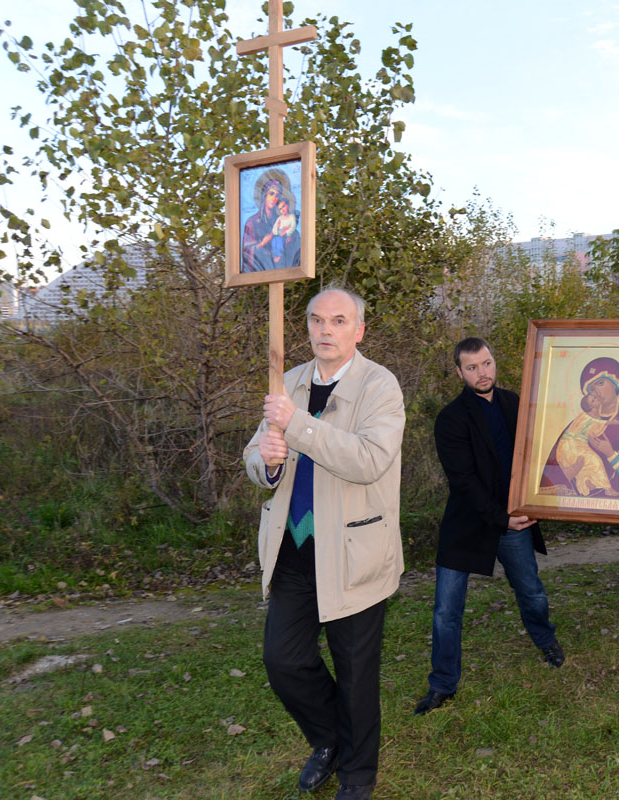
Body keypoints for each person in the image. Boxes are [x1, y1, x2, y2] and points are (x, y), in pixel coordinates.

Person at [244, 287, 404, 800]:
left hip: (353, 551)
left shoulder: (380, 386)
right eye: (317, 320)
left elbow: (367, 459)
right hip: (293, 548)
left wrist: (298, 426)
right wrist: (267, 463)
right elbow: (255, 454)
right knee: (283, 659)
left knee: (356, 672)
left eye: (338, 321)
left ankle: (358, 776)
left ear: (359, 330)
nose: (325, 330)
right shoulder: (287, 381)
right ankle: (329, 740)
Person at [413, 338, 564, 716]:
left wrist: (543, 497)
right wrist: (502, 518)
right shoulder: (450, 418)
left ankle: (546, 641)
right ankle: (443, 684)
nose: (483, 373)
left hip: (514, 521)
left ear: (495, 363)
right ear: (460, 373)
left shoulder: (517, 404)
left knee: (531, 591)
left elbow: (541, 454)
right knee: (446, 611)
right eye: (473, 367)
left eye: (487, 363)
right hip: (467, 524)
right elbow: (463, 481)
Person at [539, 357, 619, 500]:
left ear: (616, 383)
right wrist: (569, 472)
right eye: (591, 389)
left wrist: (610, 453)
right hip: (581, 505)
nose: (596, 391)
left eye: (600, 383)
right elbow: (552, 470)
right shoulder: (579, 423)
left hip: (618, 506)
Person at [242, 170, 301, 272]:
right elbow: (246, 253)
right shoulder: (252, 222)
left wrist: (289, 237)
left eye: (278, 195)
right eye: (271, 194)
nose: (274, 198)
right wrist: (261, 244)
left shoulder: (281, 220)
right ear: (264, 196)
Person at [270, 197, 298, 265]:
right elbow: (274, 230)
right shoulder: (279, 218)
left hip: (286, 235)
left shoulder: (291, 217)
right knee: (274, 240)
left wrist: (286, 233)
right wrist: (278, 227)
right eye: (280, 209)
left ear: (287, 205)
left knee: (279, 240)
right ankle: (275, 255)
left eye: (283, 206)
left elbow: (293, 227)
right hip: (279, 235)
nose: (282, 209)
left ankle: (279, 255)